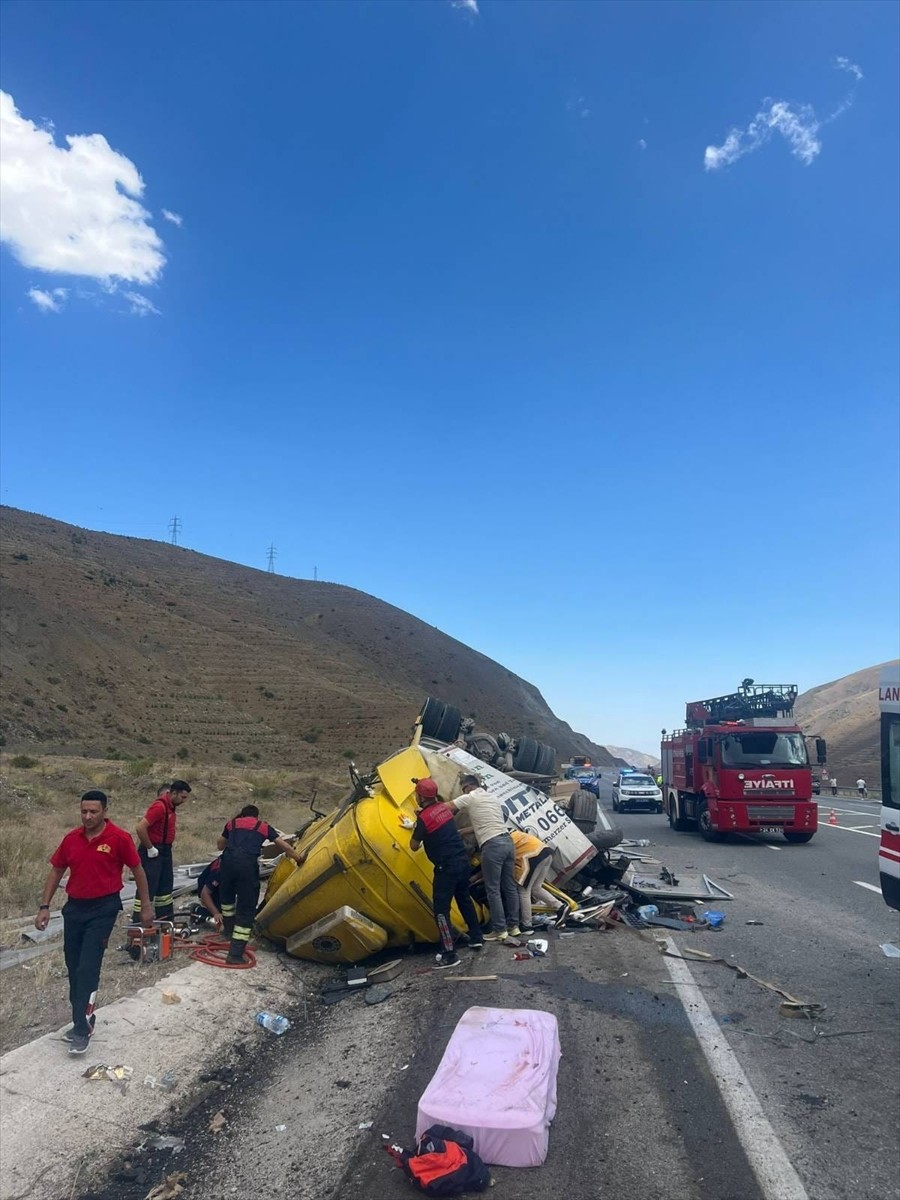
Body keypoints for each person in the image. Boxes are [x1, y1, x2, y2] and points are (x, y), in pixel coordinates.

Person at [35, 790, 152, 1056]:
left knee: (88, 967)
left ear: (105, 812)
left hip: (103, 909)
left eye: (93, 812)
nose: (88, 817)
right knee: (74, 967)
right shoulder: (71, 839)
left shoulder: (119, 838)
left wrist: (145, 905)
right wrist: (44, 906)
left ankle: (81, 1029)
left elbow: (138, 871)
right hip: (75, 909)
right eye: (84, 812)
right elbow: (56, 870)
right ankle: (83, 1017)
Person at [408, 778, 483, 969]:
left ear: (420, 796)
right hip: (462, 862)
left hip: (445, 868)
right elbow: (438, 824)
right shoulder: (443, 808)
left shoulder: (423, 818)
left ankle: (449, 954)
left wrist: (418, 827)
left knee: (441, 911)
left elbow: (414, 846)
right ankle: (476, 937)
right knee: (464, 900)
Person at [217, 805, 305, 963]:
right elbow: (283, 846)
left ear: (242, 815)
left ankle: (228, 930)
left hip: (227, 865)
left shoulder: (232, 824)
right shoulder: (263, 826)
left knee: (227, 899)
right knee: (246, 908)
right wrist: (298, 858)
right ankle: (235, 954)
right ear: (256, 816)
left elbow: (220, 845)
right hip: (246, 867)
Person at [447, 774, 519, 941]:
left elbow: (447, 807)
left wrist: (424, 811)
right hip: (508, 842)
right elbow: (485, 822)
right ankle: (514, 927)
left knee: (492, 889)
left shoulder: (470, 797)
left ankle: (500, 930)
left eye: (463, 789)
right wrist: (463, 831)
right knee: (509, 887)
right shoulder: (492, 797)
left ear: (467, 787)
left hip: (492, 845)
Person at [133, 779, 192, 921]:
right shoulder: (159, 807)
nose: (184, 801)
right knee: (148, 887)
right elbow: (140, 828)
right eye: (182, 797)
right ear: (173, 793)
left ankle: (165, 921)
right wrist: (150, 848)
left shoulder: (170, 808)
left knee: (165, 889)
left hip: (165, 851)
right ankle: (138, 922)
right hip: (153, 851)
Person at [509, 829, 557, 934]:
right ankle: (560, 907)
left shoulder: (502, 838)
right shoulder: (512, 832)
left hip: (533, 855)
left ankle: (527, 926)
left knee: (524, 890)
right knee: (536, 887)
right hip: (546, 851)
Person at [195, 856, 223, 929]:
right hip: (207, 890)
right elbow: (205, 893)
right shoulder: (219, 870)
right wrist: (216, 913)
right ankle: (197, 910)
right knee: (220, 914)